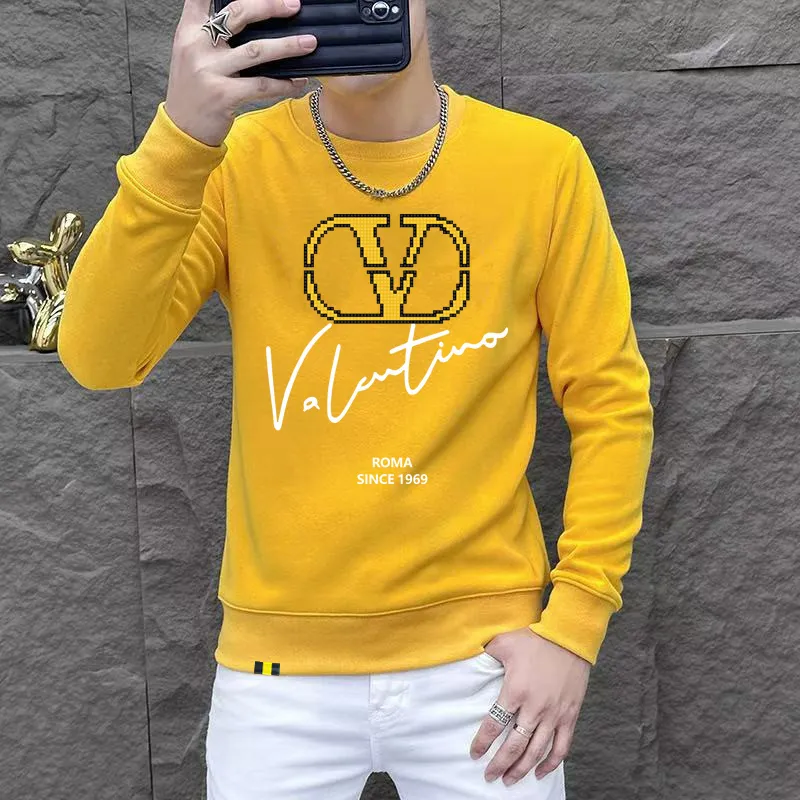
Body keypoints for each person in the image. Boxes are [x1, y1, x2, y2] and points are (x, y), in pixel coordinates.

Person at [56, 0, 655, 797]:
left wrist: (574, 630)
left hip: (484, 664)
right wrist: (181, 138)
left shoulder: (540, 165)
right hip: (278, 675)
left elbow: (611, 400)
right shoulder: (234, 163)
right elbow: (101, 358)